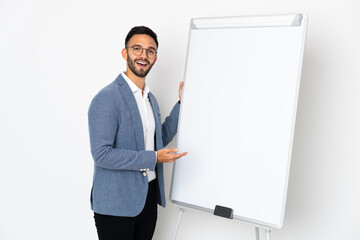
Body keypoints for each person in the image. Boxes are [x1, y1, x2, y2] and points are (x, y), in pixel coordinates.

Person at [88, 26, 187, 240]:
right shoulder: (108, 98)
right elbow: (102, 154)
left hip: (146, 199)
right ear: (125, 53)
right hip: (115, 206)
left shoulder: (150, 98)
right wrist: (153, 158)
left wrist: (182, 103)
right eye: (137, 49)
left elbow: (159, 136)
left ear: (155, 58)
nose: (144, 55)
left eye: (150, 51)